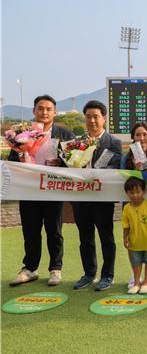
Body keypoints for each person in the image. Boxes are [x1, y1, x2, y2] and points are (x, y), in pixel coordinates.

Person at [8, 94, 75, 287]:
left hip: (53, 190)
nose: (44, 112)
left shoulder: (64, 134)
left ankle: (55, 269)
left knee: (54, 230)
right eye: (40, 108)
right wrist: (21, 157)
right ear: (34, 111)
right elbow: (13, 160)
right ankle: (30, 268)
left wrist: (60, 162)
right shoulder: (22, 134)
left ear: (54, 112)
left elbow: (75, 161)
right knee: (30, 230)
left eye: (48, 109)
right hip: (29, 190)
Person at [73, 100, 122, 291]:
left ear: (104, 118)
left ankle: (107, 275)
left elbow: (115, 167)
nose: (92, 120)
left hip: (102, 198)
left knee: (106, 238)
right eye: (88, 116)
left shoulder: (114, 142)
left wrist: (95, 175)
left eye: (96, 116)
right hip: (80, 199)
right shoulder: (77, 142)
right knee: (85, 238)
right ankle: (88, 274)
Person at [121, 122, 147, 288]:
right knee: (132, 237)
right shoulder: (126, 157)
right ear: (133, 138)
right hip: (132, 205)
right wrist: (136, 171)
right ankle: (135, 273)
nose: (141, 138)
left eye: (145, 134)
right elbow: (121, 177)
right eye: (138, 135)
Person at [122, 177, 147, 294]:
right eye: (131, 192)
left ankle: (146, 282)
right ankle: (136, 283)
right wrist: (125, 238)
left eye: (138, 192)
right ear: (127, 193)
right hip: (134, 243)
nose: (135, 195)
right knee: (136, 262)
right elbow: (126, 226)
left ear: (143, 191)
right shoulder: (126, 208)